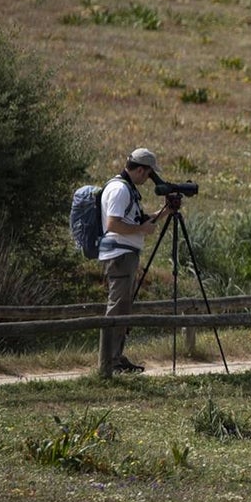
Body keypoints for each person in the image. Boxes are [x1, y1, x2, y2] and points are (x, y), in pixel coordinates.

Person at [97, 148, 172, 377]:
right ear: (140, 170)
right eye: (148, 174)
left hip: (124, 254)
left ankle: (116, 358)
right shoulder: (120, 190)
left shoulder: (125, 188)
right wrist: (141, 229)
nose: (148, 179)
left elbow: (135, 220)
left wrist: (164, 212)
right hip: (120, 256)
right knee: (117, 307)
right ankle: (108, 362)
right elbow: (113, 224)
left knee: (123, 307)